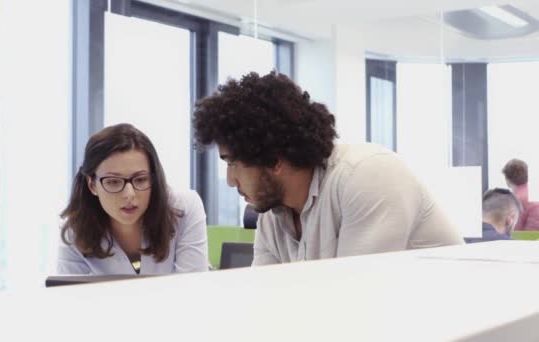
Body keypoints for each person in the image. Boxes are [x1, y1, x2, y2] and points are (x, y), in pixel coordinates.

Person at [193, 71, 463, 265]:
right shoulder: (273, 215)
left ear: (274, 159)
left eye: (232, 163)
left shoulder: (366, 174)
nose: (230, 180)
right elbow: (265, 300)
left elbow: (355, 300)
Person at [57, 123, 208, 275]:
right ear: (92, 185)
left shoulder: (185, 208)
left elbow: (192, 291)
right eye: (113, 182)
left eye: (140, 179)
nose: (129, 194)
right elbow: (71, 297)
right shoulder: (74, 231)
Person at [502, 158, 539, 230]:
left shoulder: (514, 200)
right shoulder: (534, 193)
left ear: (507, 179)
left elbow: (513, 230)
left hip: (525, 239)